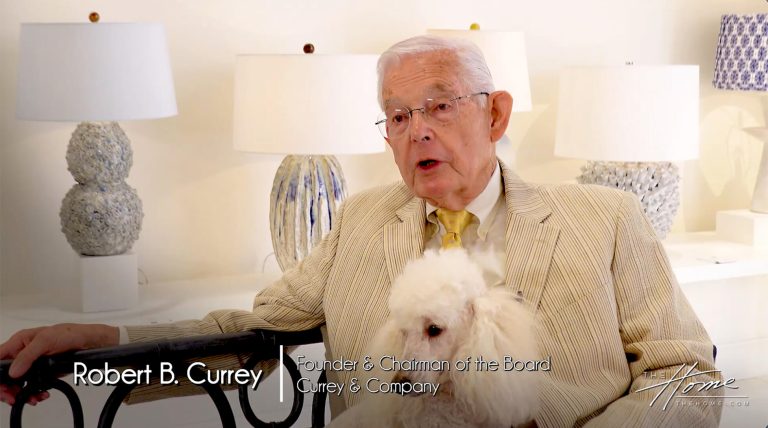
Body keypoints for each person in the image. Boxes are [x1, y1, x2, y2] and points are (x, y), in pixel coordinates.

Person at [1, 35, 722, 427]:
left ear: (496, 115)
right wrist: (102, 350)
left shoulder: (605, 219)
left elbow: (685, 374)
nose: (417, 132)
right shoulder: (359, 221)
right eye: (398, 116)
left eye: (439, 106)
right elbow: (243, 337)